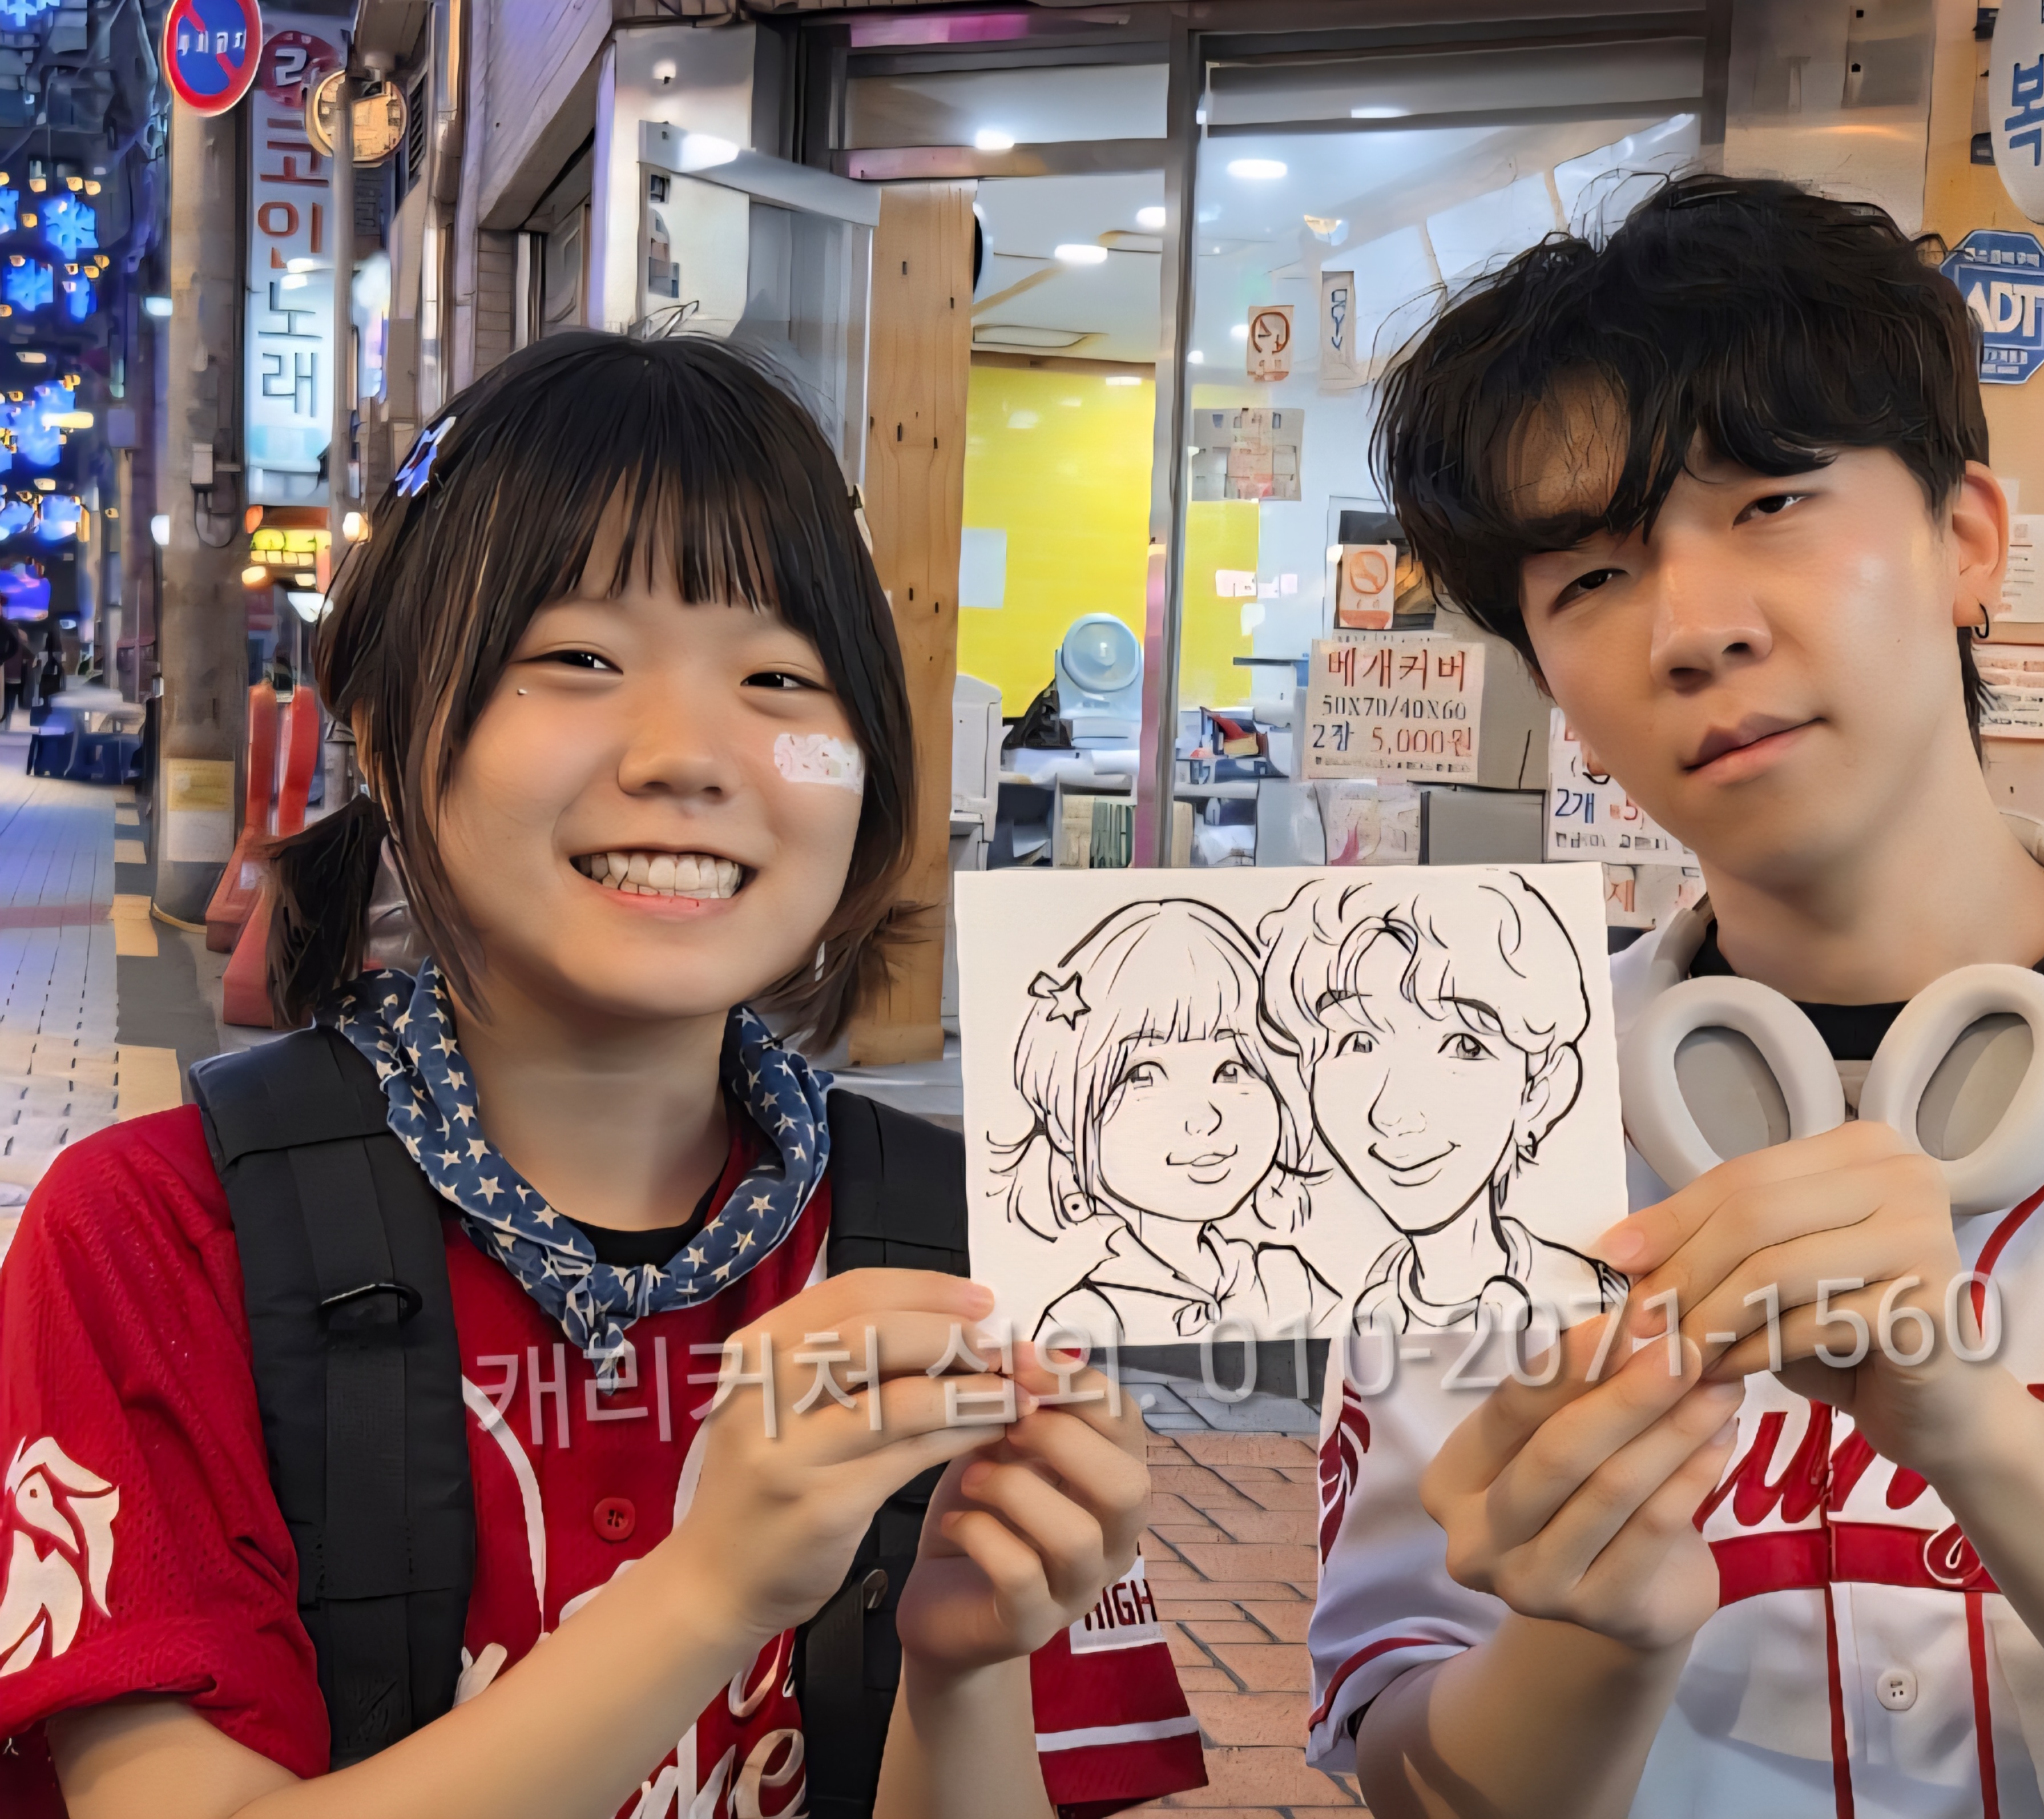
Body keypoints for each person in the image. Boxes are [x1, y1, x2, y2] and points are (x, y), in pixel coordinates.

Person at [1304, 175, 2044, 1819]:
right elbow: (1399, 1767)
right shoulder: (1460, 1110)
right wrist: (1589, 1643)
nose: (1691, 630)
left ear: (1965, 539)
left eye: (1769, 502)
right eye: (1588, 580)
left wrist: (1966, 1425)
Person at [0, 334, 1202, 1819]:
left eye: (780, 676)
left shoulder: (966, 1248)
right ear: (382, 720)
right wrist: (708, 1591)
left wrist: (962, 1670)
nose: (688, 755)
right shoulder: (153, 1234)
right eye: (579, 659)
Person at [1257, 872, 1620, 1338]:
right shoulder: (1355, 1305)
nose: (1393, 1113)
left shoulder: (1591, 1296)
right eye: (1358, 1042)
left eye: (1465, 1046)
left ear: (1540, 1093)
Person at [995, 897, 1336, 1344]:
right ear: (1063, 1121)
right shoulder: (1087, 1314)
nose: (1204, 1117)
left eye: (1231, 1070)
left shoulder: (1285, 1281)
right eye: (1143, 1076)